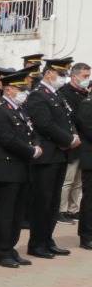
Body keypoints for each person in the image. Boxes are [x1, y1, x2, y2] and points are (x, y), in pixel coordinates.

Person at [0, 69, 43, 269]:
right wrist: (31, 151)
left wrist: (36, 145)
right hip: (7, 168)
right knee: (5, 213)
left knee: (17, 213)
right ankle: (2, 251)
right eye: (20, 88)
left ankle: (11, 248)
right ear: (8, 90)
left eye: (25, 88)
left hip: (22, 168)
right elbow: (7, 138)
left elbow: (32, 132)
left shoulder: (21, 110)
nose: (24, 91)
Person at [23, 59, 78, 259]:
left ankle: (47, 239)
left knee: (53, 202)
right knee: (42, 202)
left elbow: (68, 119)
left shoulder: (56, 95)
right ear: (49, 74)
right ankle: (37, 243)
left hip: (59, 155)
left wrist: (72, 136)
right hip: (46, 156)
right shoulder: (38, 96)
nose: (63, 78)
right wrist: (68, 139)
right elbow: (45, 125)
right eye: (60, 74)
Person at [60, 61, 92, 248]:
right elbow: (88, 129)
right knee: (88, 199)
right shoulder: (87, 105)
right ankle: (86, 235)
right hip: (88, 156)